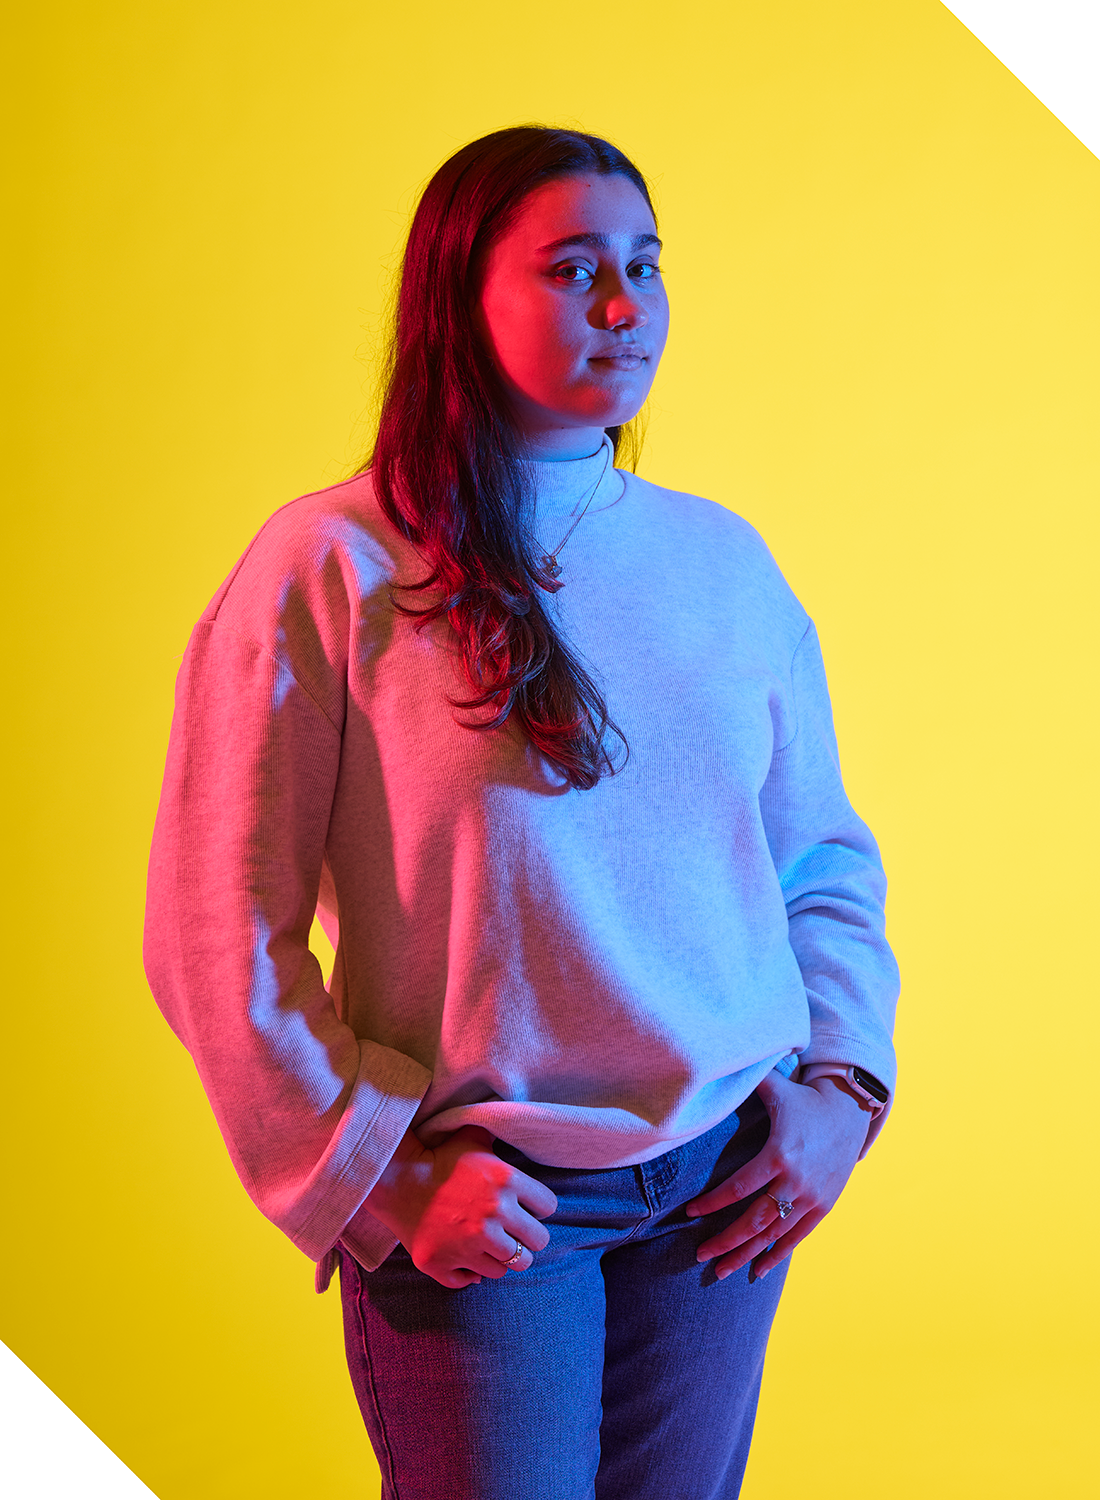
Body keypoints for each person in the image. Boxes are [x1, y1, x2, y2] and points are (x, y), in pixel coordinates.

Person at [144, 125, 899, 1500]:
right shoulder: (328, 564)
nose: (624, 308)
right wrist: (373, 1179)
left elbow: (822, 864)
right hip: (491, 1208)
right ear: (457, 298)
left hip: (720, 1194)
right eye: (572, 270)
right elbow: (215, 928)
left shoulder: (720, 562)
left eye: (644, 266)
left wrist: (841, 1084)